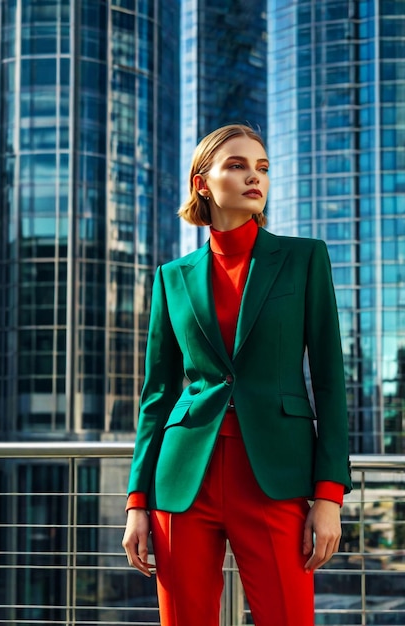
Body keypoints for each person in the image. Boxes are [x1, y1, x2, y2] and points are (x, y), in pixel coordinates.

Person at [122, 123, 351, 626]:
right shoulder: (172, 276)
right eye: (238, 165)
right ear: (202, 183)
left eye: (262, 168)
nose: (255, 177)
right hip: (183, 481)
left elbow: (332, 382)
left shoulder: (304, 259)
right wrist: (137, 501)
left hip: (275, 476)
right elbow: (157, 395)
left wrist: (329, 494)